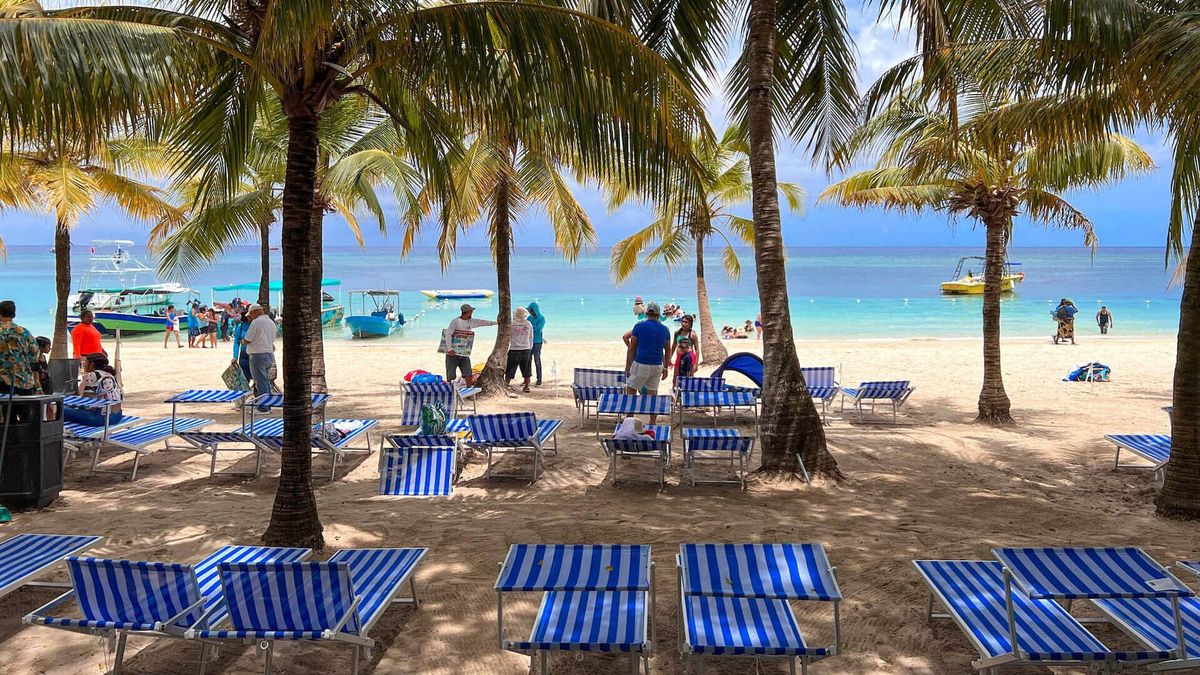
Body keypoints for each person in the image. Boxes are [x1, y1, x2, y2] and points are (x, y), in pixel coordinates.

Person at [624, 301, 671, 423]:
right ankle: (652, 421)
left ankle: (629, 419)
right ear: (658, 314)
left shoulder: (639, 327)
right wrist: (666, 368)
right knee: (652, 393)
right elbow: (668, 350)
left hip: (641, 363)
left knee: (631, 390)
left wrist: (628, 366)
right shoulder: (665, 330)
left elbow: (631, 348)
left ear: (646, 313)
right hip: (657, 365)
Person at [64, 353, 122, 427]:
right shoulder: (110, 374)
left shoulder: (93, 375)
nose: (84, 365)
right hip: (117, 415)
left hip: (103, 418)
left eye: (85, 362)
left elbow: (86, 401)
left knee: (61, 410)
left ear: (92, 364)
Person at [444, 304, 498, 382]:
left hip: (464, 352)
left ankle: (468, 388)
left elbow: (483, 322)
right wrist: (450, 349)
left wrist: (496, 323)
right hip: (453, 353)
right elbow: (448, 334)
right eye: (471, 311)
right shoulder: (455, 321)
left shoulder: (471, 321)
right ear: (467, 312)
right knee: (451, 375)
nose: (472, 313)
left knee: (468, 373)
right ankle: (450, 388)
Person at [0, 300, 41, 397]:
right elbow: (34, 356)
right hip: (24, 382)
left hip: (2, 382)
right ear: (14, 314)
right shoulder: (23, 332)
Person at [242, 303, 277, 405]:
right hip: (269, 354)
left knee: (260, 383)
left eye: (250, 315)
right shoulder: (271, 322)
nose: (250, 317)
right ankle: (268, 404)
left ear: (255, 312)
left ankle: (263, 407)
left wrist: (242, 341)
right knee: (265, 381)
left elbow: (248, 339)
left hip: (257, 355)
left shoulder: (256, 322)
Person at [506, 307, 535, 393]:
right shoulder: (528, 324)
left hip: (514, 349)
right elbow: (531, 337)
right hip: (526, 349)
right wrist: (530, 347)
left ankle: (506, 384)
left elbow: (508, 336)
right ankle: (526, 387)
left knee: (510, 368)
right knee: (527, 369)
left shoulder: (511, 324)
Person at [526, 301, 546, 386]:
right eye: (529, 310)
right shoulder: (529, 318)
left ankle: (539, 379)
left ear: (535, 310)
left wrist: (530, 327)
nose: (530, 312)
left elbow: (538, 329)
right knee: (527, 361)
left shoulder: (541, 318)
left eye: (531, 310)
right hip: (528, 342)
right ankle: (527, 379)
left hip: (537, 342)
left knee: (537, 360)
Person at [231, 308, 252, 386]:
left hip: (255, 355)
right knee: (245, 379)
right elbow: (236, 342)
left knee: (257, 379)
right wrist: (235, 356)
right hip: (244, 355)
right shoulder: (240, 326)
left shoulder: (256, 325)